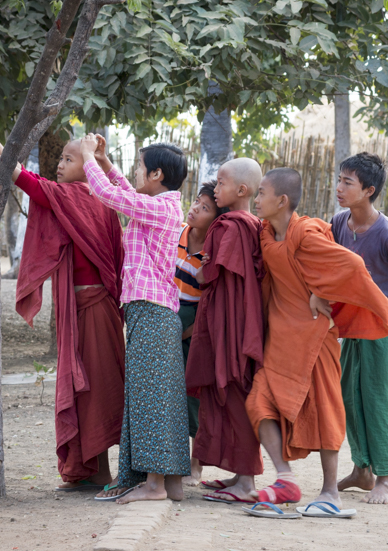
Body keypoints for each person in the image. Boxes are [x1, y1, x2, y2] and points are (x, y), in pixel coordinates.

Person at [0, 119, 125, 492]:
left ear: (87, 168)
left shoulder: (85, 197)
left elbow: (34, 186)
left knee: (94, 390)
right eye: (61, 159)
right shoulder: (84, 199)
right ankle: (86, 469)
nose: (60, 164)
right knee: (85, 387)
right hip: (88, 310)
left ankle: (101, 471)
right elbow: (42, 188)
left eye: (69, 159)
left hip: (95, 311)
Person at [244, 168, 388, 516]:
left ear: (281, 200)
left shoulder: (314, 232)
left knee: (344, 405)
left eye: (261, 193)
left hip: (334, 328)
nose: (256, 200)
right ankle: (288, 478)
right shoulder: (281, 230)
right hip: (283, 336)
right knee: (264, 402)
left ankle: (345, 489)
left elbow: (351, 266)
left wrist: (322, 294)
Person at [79, 133, 191, 504]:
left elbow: (113, 197)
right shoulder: (159, 204)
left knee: (151, 398)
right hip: (152, 313)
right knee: (157, 396)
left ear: (156, 174)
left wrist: (86, 159)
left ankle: (155, 485)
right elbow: (127, 192)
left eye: (141, 168)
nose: (135, 174)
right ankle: (166, 482)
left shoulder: (162, 209)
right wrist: (106, 163)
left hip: (152, 312)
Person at [332, 152, 388, 505]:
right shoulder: (339, 224)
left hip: (383, 320)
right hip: (350, 319)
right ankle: (362, 469)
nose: (339, 188)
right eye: (339, 180)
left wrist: (379, 303)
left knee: (379, 397)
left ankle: (385, 476)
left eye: (347, 183)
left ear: (368, 190)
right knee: (349, 394)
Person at [186, 158, 266, 504]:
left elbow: (210, 277)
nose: (215, 188)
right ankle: (238, 474)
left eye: (220, 183)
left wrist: (204, 268)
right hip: (240, 321)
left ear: (241, 190)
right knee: (233, 397)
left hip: (228, 326)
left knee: (234, 396)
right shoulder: (250, 223)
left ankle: (246, 483)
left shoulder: (229, 226)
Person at [174, 180, 226, 486]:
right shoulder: (176, 233)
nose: (195, 209)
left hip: (194, 323)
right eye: (196, 202)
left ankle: (196, 465)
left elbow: (209, 298)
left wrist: (189, 330)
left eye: (205, 208)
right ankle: (173, 459)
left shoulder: (211, 251)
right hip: (169, 313)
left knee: (194, 394)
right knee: (170, 391)